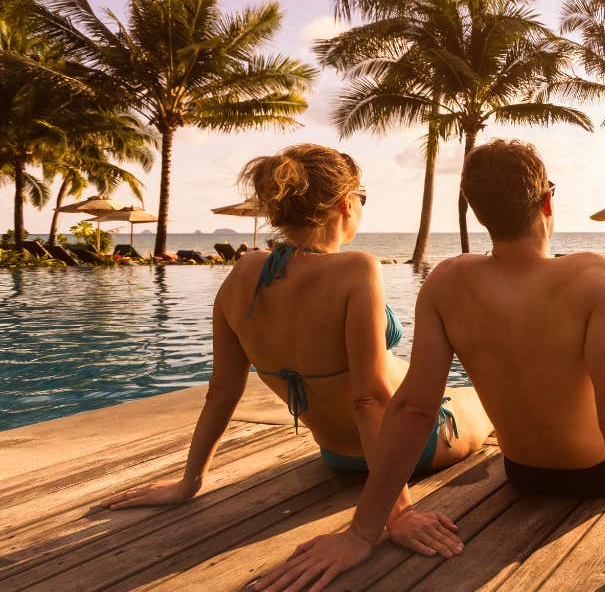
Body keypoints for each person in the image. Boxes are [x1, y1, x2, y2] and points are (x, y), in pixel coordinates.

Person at [257, 139, 605, 592]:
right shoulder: (594, 274)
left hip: (522, 472)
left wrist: (362, 533)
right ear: (547, 202)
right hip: (596, 477)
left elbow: (412, 410)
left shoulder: (446, 281)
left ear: (477, 212)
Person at [102, 144, 491, 559]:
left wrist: (189, 483)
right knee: (486, 397)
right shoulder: (358, 270)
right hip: (411, 449)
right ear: (346, 202)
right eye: (363, 197)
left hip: (337, 455)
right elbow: (370, 399)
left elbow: (221, 392)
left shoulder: (243, 274)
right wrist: (397, 515)